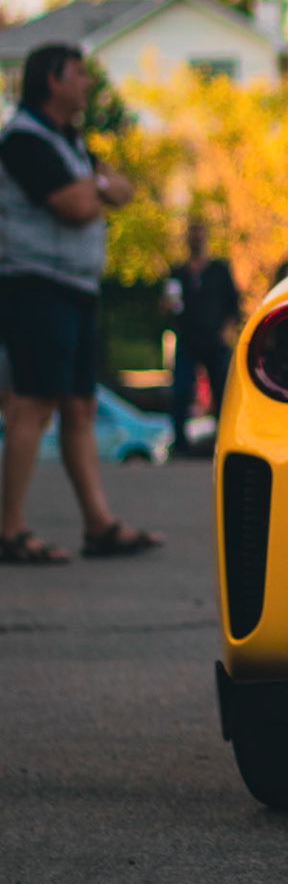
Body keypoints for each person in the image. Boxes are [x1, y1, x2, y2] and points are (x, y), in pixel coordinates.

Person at [0, 43, 163, 563]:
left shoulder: (68, 143)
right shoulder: (23, 140)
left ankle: (99, 526)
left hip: (75, 288)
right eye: (78, 74)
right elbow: (73, 205)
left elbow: (123, 189)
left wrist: (96, 186)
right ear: (52, 79)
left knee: (79, 406)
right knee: (33, 402)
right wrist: (98, 187)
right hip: (37, 285)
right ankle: (9, 530)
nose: (87, 84)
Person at [164, 220, 240, 456]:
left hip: (214, 340)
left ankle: (225, 442)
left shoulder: (219, 270)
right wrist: (167, 306)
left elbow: (234, 304)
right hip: (187, 340)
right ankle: (180, 444)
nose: (195, 239)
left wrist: (225, 330)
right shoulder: (178, 273)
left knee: (221, 392)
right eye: (192, 233)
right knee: (180, 392)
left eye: (199, 233)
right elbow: (167, 308)